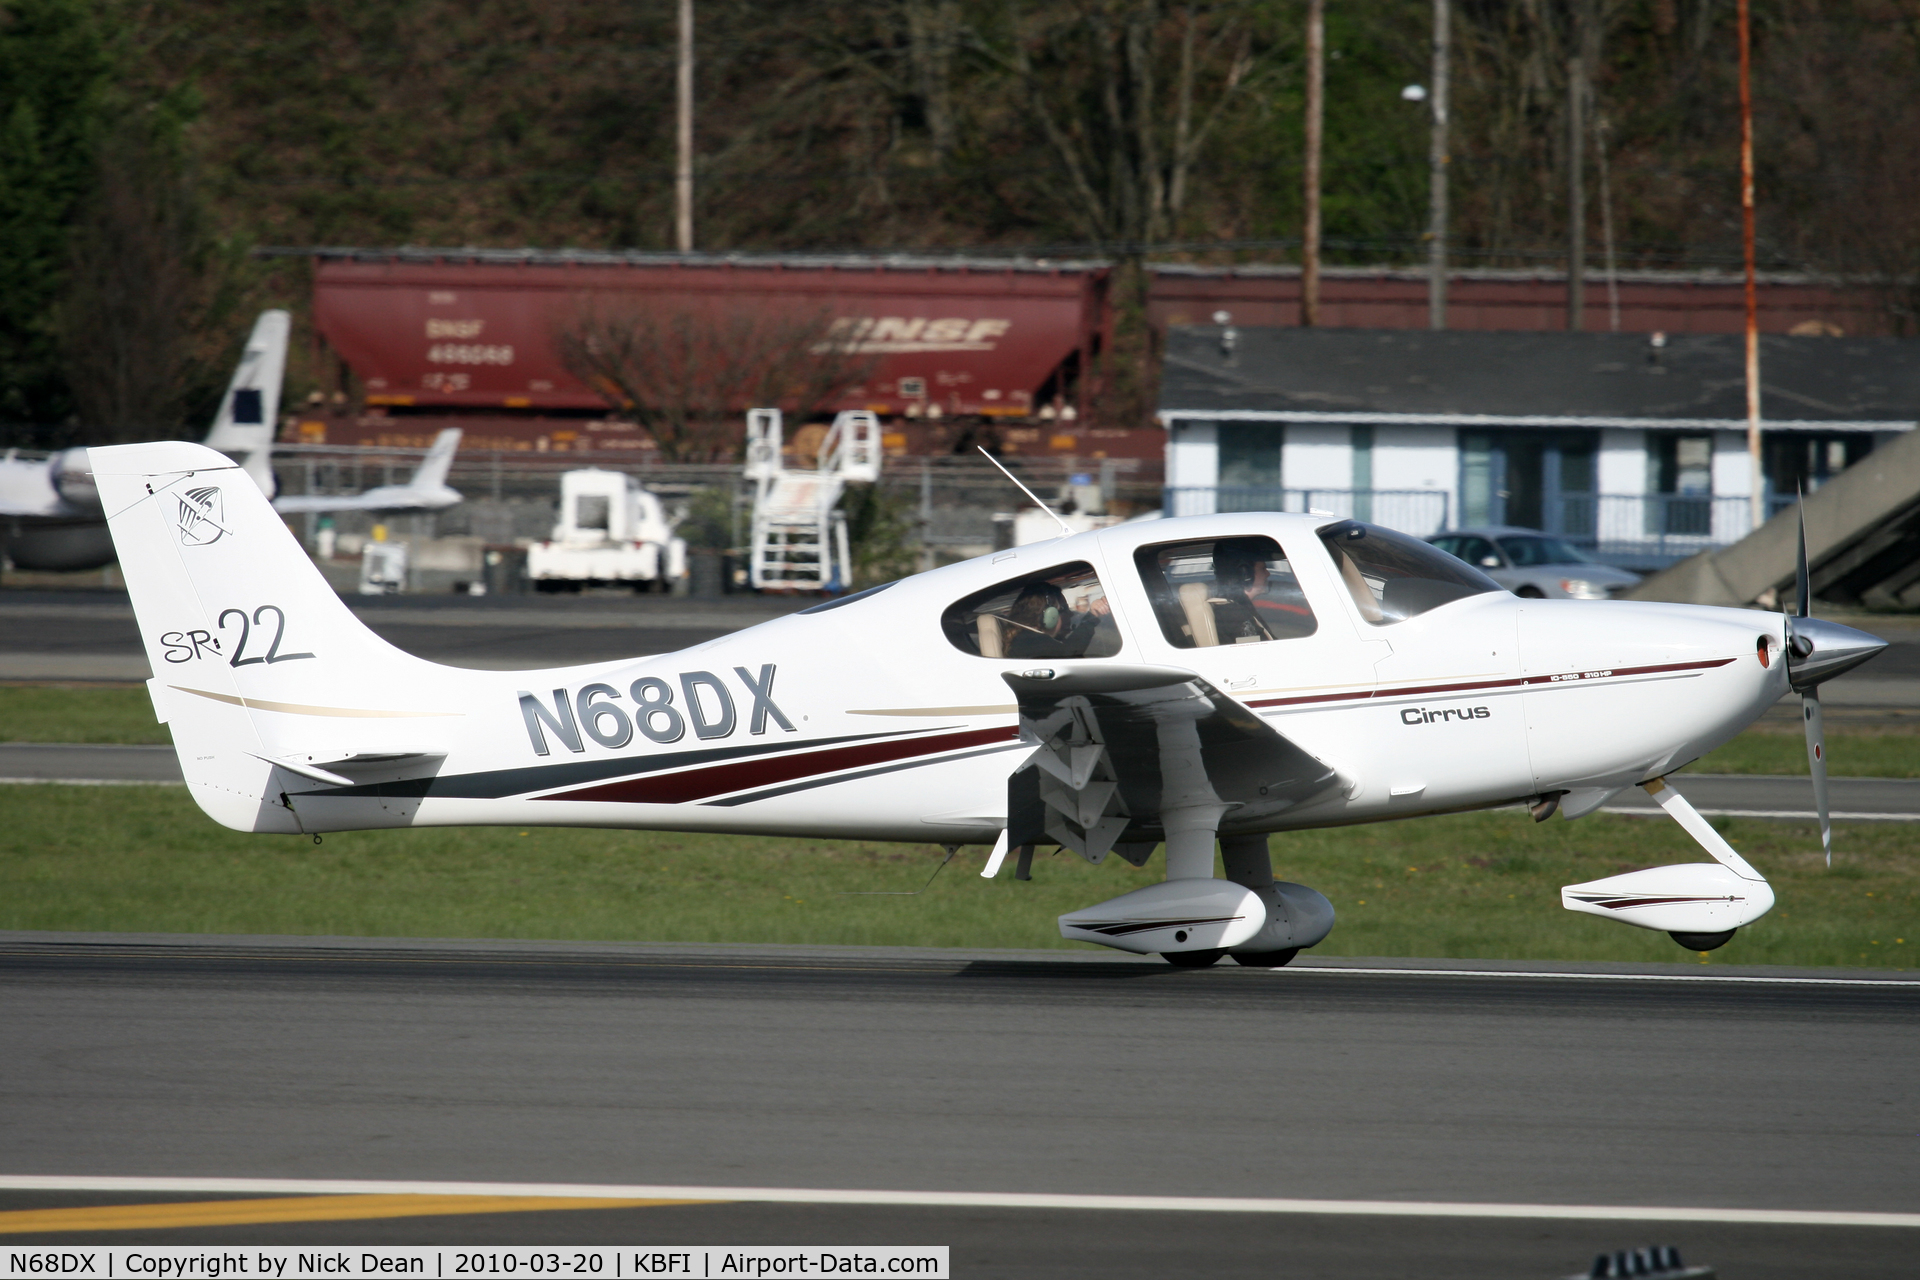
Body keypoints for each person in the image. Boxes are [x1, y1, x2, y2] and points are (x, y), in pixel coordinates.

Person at [1208, 538, 1277, 644]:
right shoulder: (1234, 614)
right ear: (1246, 575)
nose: (1268, 574)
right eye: (1263, 569)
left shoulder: (1238, 608)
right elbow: (1255, 652)